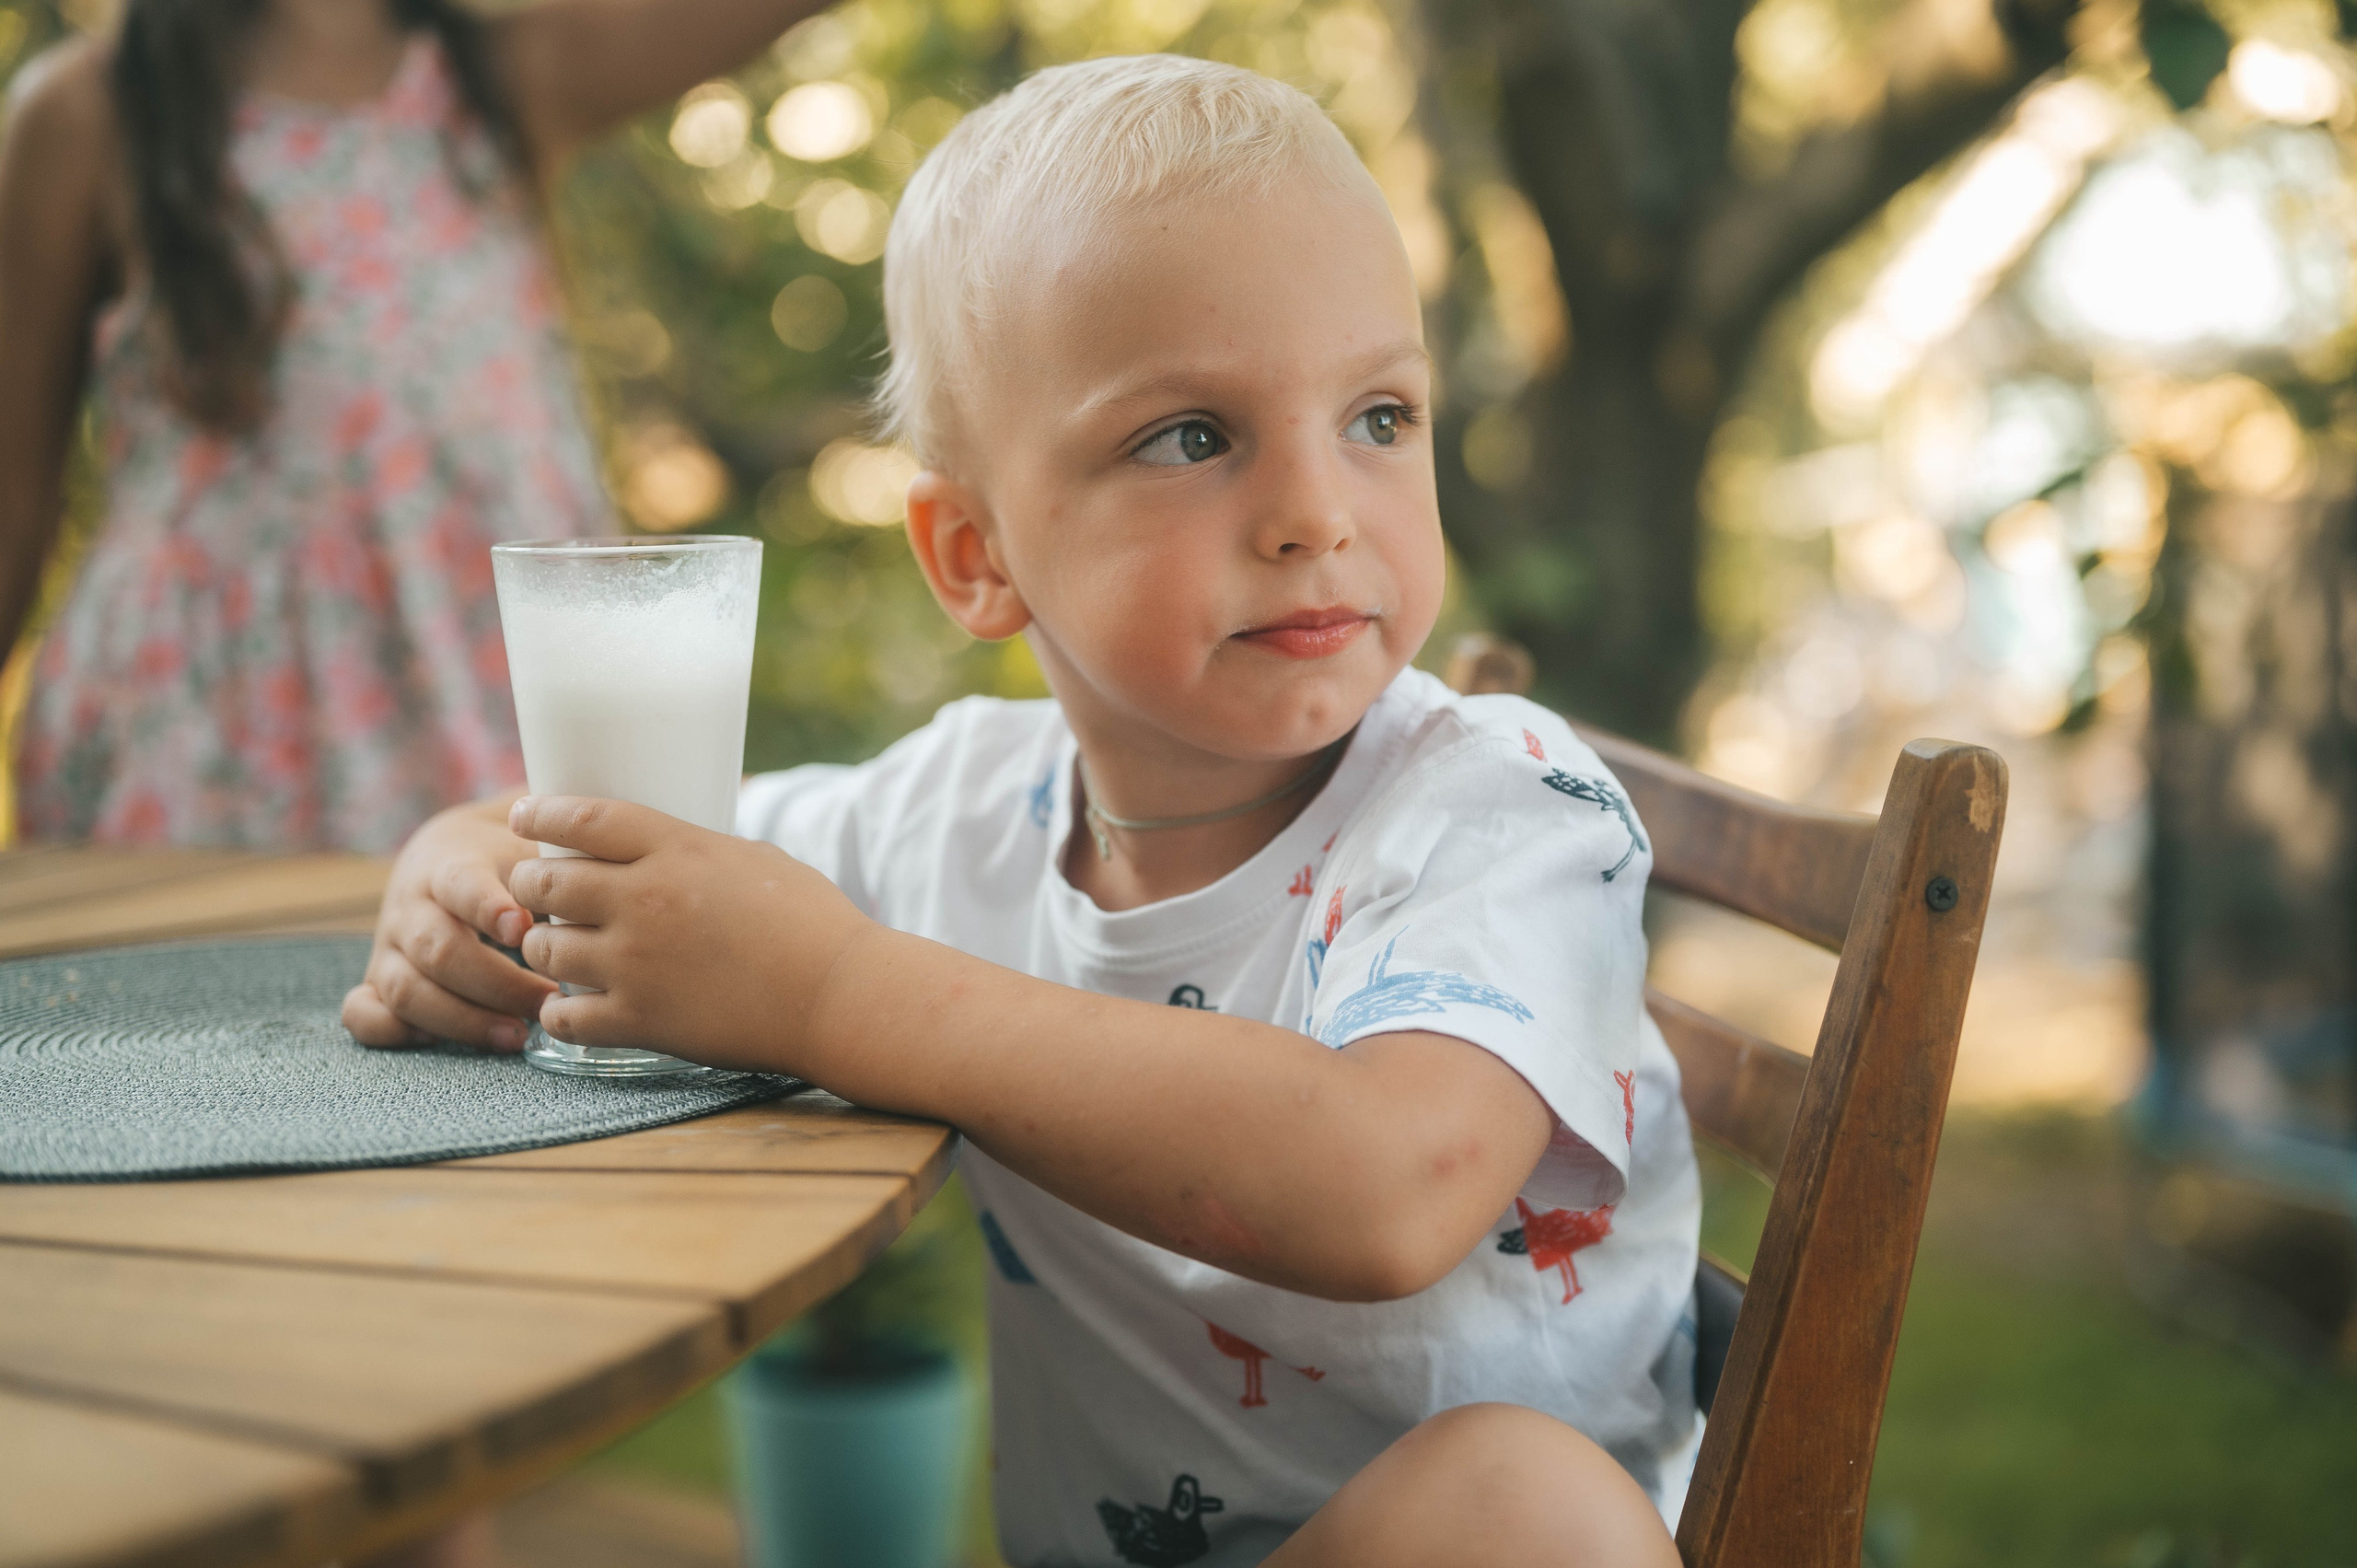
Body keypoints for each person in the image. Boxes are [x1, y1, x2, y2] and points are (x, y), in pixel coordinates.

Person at [347, 54, 1702, 1565]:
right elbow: (643, 861)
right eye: (1192, 435)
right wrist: (457, 870)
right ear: (977, 553)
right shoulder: (956, 809)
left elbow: (1386, 1187)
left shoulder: (1500, 807)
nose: (1321, 507)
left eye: (1379, 415)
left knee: (1527, 1511)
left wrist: (832, 987)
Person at [0, 0, 828, 850]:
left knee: (520, 953)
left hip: (481, 705)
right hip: (200, 739)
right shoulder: (90, 113)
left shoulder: (500, 77)